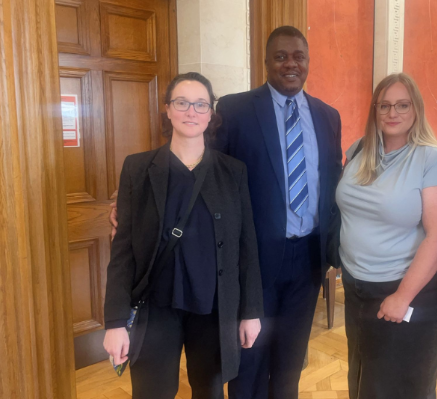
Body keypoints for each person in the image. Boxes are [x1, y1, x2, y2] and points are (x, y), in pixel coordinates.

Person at [103, 72, 263, 399]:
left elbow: (246, 248)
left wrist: (250, 311)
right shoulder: (138, 169)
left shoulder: (233, 172)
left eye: (201, 104)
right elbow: (123, 252)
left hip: (213, 308)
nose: (192, 111)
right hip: (156, 306)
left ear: (211, 113)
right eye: (182, 102)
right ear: (168, 110)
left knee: (210, 392)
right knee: (152, 393)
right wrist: (115, 321)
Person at [215, 26, 342, 399]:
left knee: (290, 362)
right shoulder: (235, 109)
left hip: (309, 258)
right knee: (249, 361)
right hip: (253, 260)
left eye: (298, 56)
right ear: (266, 62)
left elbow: (332, 182)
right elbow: (210, 173)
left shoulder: (327, 115)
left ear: (307, 61)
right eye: (281, 56)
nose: (291, 64)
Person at [335, 73, 437, 398]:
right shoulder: (359, 149)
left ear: (416, 109)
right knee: (363, 379)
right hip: (357, 286)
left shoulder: (433, 159)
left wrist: (402, 297)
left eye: (402, 105)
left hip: (406, 290)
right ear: (374, 110)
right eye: (384, 105)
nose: (392, 112)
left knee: (403, 386)